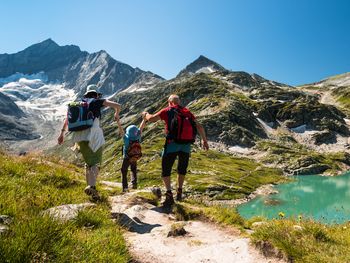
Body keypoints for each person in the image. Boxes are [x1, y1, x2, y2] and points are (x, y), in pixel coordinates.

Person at [58, 84, 123, 200]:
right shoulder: (96, 101)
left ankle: (90, 190)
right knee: (96, 163)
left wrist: (61, 134)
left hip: (78, 136)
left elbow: (67, 119)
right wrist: (116, 113)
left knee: (88, 163)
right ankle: (92, 186)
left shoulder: (78, 104)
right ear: (97, 94)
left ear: (86, 94)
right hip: (93, 135)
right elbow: (117, 105)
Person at [142, 94, 209, 207]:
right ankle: (179, 192)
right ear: (179, 101)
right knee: (182, 169)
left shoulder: (167, 110)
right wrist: (204, 141)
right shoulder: (187, 112)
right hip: (186, 145)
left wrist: (145, 114)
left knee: (166, 169)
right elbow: (200, 126)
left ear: (169, 101)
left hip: (172, 144)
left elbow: (152, 119)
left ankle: (169, 194)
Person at [119, 119, 146, 192]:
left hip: (127, 157)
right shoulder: (138, 137)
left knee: (124, 171)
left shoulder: (126, 139)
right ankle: (134, 184)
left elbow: (121, 131)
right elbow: (141, 128)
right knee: (133, 170)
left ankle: (125, 188)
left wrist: (118, 121)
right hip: (135, 157)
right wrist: (144, 119)